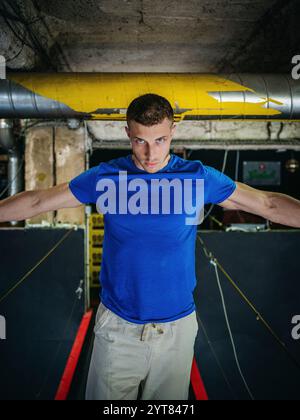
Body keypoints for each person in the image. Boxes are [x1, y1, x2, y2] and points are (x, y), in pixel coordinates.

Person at [0, 94, 300, 400]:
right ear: (128, 133)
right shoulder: (108, 179)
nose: (150, 153)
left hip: (176, 331)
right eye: (140, 141)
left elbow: (269, 204)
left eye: (160, 140)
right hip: (118, 328)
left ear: (172, 133)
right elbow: (38, 200)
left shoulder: (197, 178)